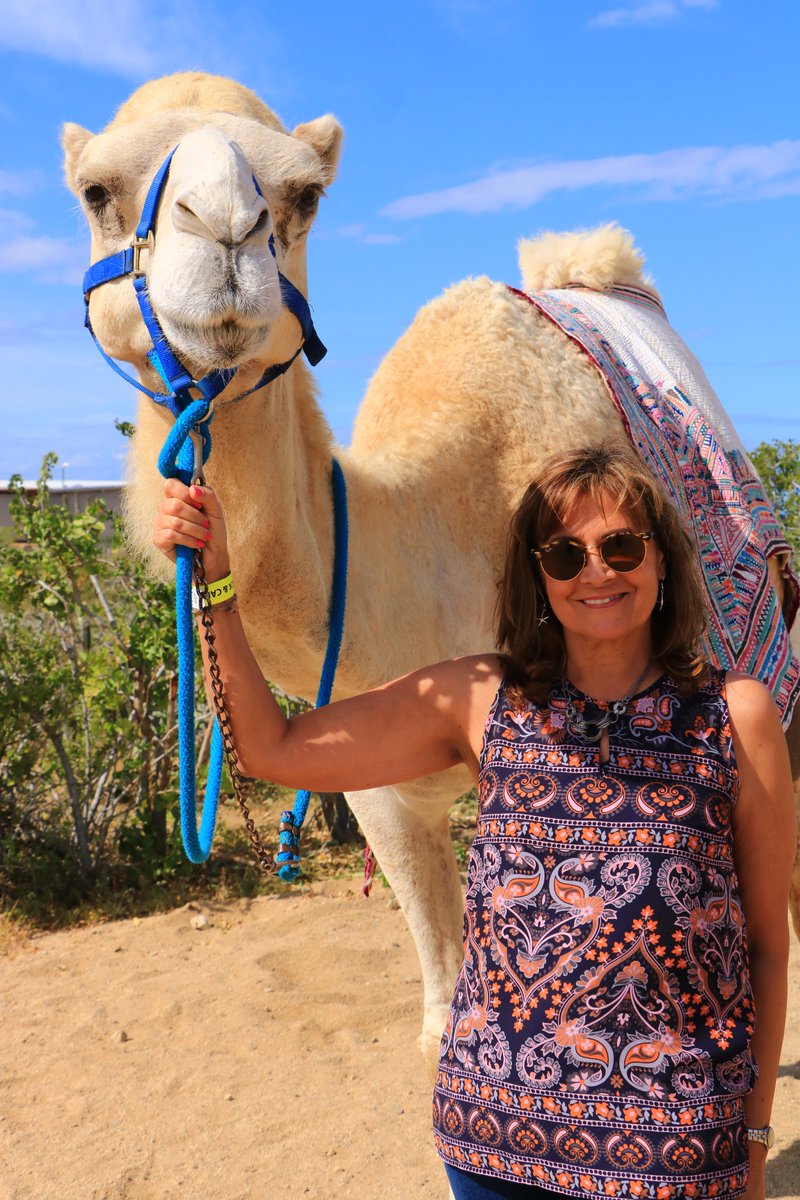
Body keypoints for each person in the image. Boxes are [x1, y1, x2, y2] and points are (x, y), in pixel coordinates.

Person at [153, 443, 794, 1200]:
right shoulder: (483, 699)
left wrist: (754, 1141)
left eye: (621, 546)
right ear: (537, 575)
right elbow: (273, 747)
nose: (596, 570)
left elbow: (765, 944)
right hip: (494, 1148)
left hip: (677, 1157)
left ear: (661, 562)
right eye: (565, 554)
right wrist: (215, 582)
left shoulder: (733, 717)